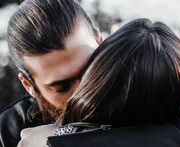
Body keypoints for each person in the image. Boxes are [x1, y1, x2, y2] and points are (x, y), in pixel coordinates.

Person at [18, 18, 180, 147]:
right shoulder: (12, 125)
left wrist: (62, 137)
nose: (79, 91)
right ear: (29, 86)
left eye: (87, 73)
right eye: (61, 86)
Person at [0, 0, 103, 146]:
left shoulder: (141, 90)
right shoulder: (8, 133)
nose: (85, 93)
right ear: (29, 85)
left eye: (90, 70)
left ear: (101, 42)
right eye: (63, 87)